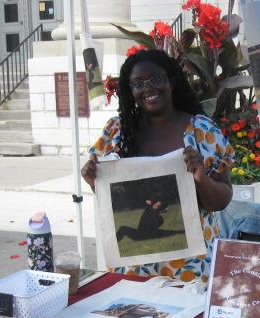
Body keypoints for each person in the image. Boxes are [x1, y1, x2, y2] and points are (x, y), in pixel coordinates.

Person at [81, 49, 234, 282]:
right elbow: (115, 201)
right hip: (133, 266)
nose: (148, 88)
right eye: (138, 83)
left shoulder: (201, 130)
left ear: (171, 81)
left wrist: (201, 176)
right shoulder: (117, 132)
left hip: (191, 266)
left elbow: (222, 200)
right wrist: (94, 180)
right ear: (130, 91)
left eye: (156, 79)